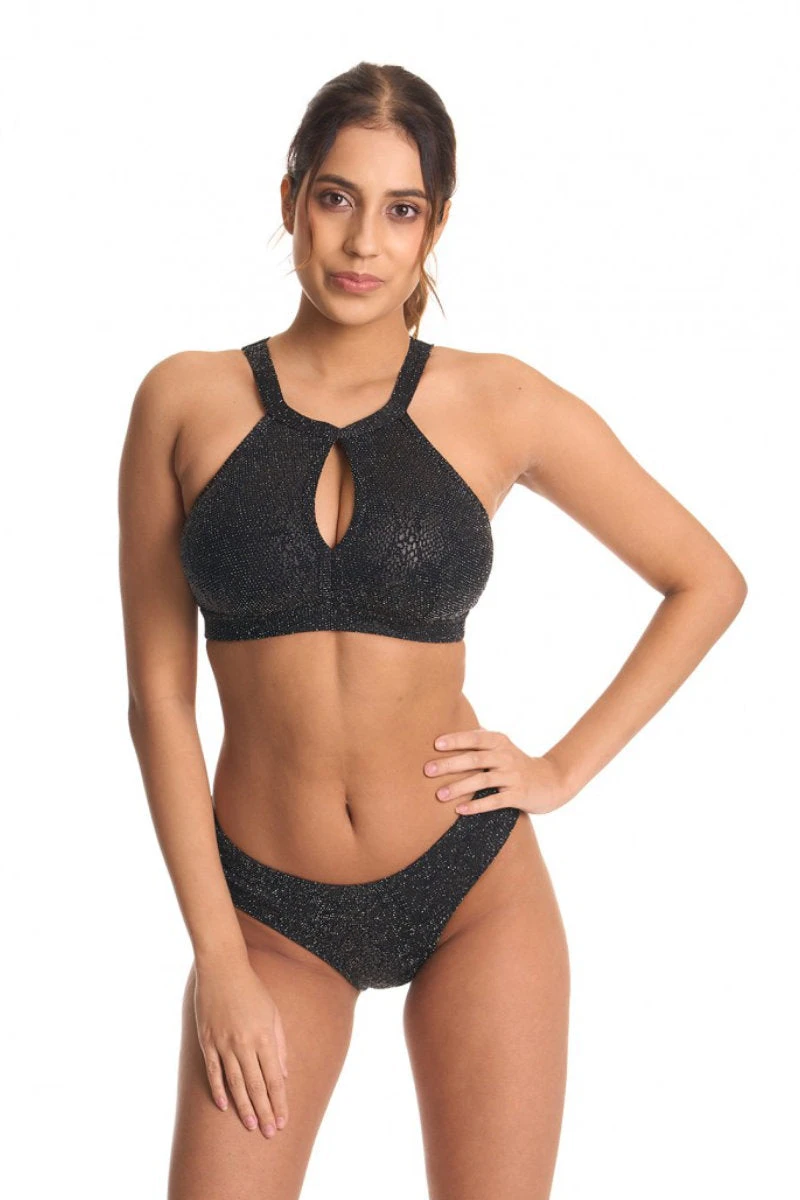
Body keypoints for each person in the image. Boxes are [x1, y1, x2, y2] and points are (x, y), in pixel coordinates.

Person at [118, 61, 747, 1200]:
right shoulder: (183, 400)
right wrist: (218, 959)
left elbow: (704, 580)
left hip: (471, 891)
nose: (363, 241)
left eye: (400, 209)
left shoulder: (498, 401)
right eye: (336, 198)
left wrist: (559, 770)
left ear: (435, 227)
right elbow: (159, 700)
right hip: (267, 919)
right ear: (290, 199)